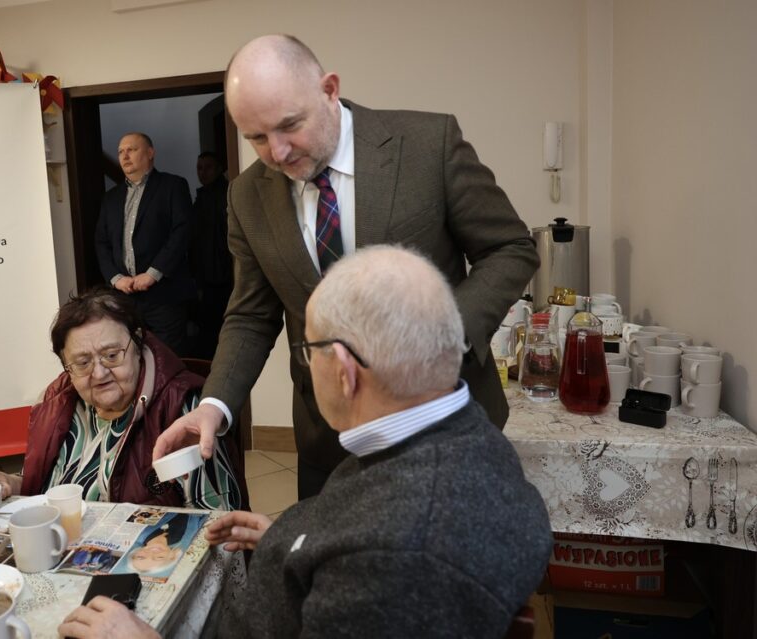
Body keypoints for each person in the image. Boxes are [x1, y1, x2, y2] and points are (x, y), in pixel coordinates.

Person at [59, 246, 552, 639]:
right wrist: (294, 538)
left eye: (306, 349)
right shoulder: (462, 435)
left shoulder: (398, 564)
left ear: (343, 367)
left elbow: (381, 560)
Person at [154, 34, 540, 499]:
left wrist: (443, 337)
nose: (277, 153)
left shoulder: (427, 145)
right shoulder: (246, 196)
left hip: (441, 420)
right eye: (256, 137)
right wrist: (215, 403)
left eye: (289, 125)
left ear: (329, 90)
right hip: (328, 440)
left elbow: (510, 248)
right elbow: (251, 315)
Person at [0, 288, 247, 511]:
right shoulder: (59, 403)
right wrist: (8, 483)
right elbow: (48, 487)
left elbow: (217, 519)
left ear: (137, 343)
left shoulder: (184, 408)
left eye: (111, 355)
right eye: (82, 362)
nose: (98, 373)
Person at [95, 132, 195, 356]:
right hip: (125, 299)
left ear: (150, 153)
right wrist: (116, 278)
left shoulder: (172, 186)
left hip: (165, 296)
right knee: (132, 361)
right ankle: (143, 395)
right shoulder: (111, 198)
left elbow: (182, 232)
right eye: (121, 151)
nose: (124, 156)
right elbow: (101, 243)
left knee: (169, 362)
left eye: (132, 149)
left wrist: (153, 273)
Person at [188, 151, 233, 359]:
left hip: (225, 277)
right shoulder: (201, 198)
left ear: (219, 169)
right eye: (199, 168)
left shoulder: (227, 195)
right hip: (206, 278)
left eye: (207, 167)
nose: (202, 172)